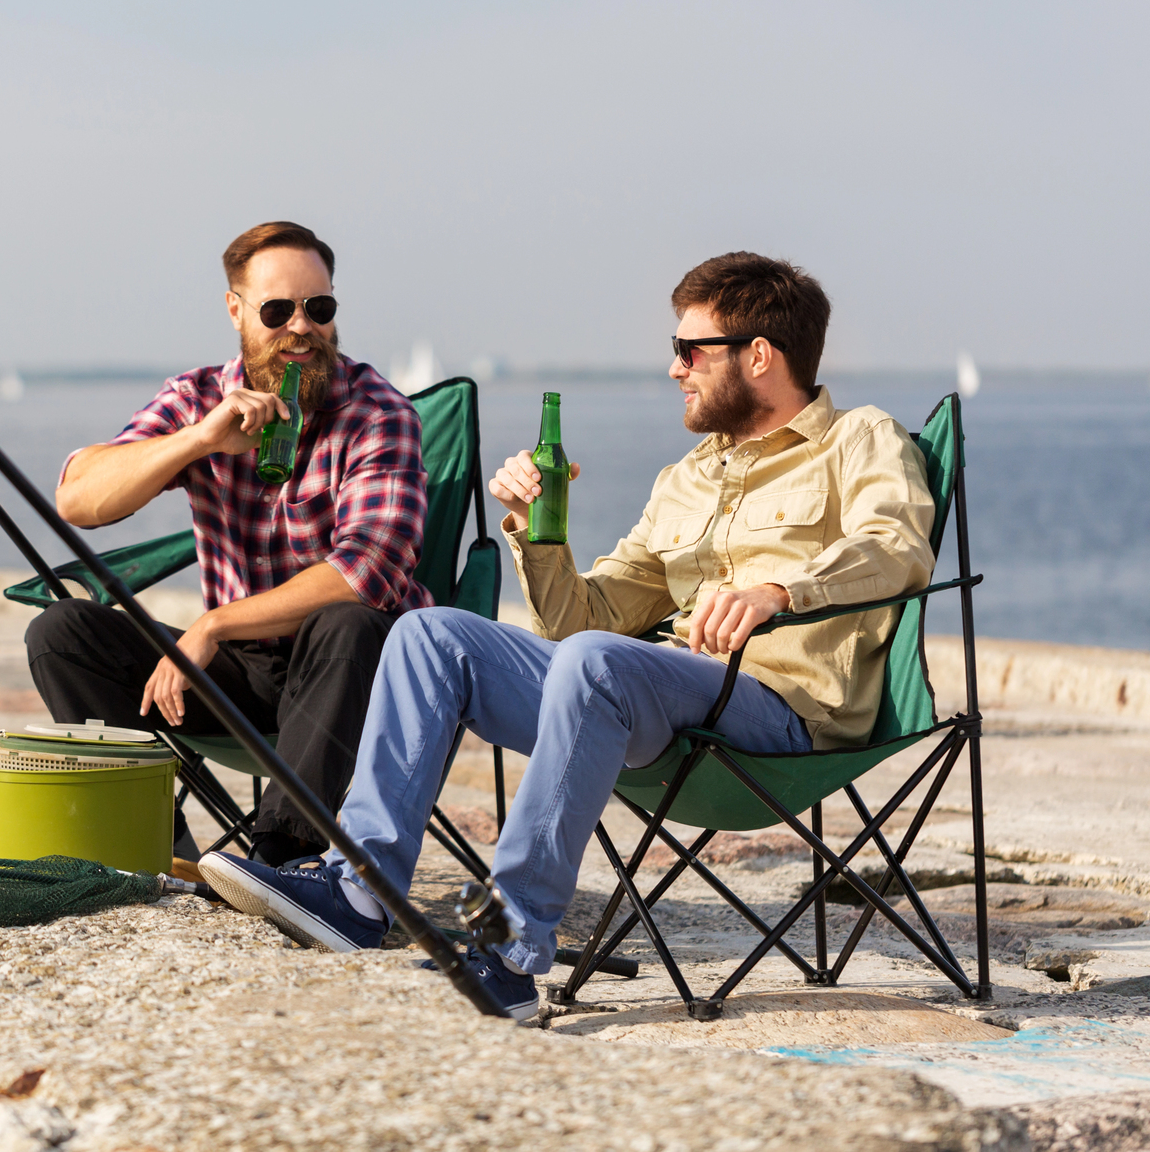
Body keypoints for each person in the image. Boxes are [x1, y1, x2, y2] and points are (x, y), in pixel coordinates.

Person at [201, 252, 936, 1019]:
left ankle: (510, 952)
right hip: (655, 700)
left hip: (782, 716)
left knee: (592, 665)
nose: (674, 368)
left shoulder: (858, 438)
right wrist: (535, 529)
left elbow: (897, 547)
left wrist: (780, 589)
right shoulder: (685, 478)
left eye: (690, 350)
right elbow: (583, 621)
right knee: (429, 634)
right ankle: (358, 893)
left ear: (758, 355)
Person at [26, 221, 431, 867]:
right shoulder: (197, 398)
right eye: (278, 310)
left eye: (319, 308)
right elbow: (78, 499)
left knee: (349, 623)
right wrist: (200, 441)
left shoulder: (378, 413)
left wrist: (211, 624)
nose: (302, 327)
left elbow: (368, 571)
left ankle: (279, 857)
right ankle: (156, 840)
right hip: (244, 674)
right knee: (63, 632)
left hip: (352, 674)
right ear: (236, 310)